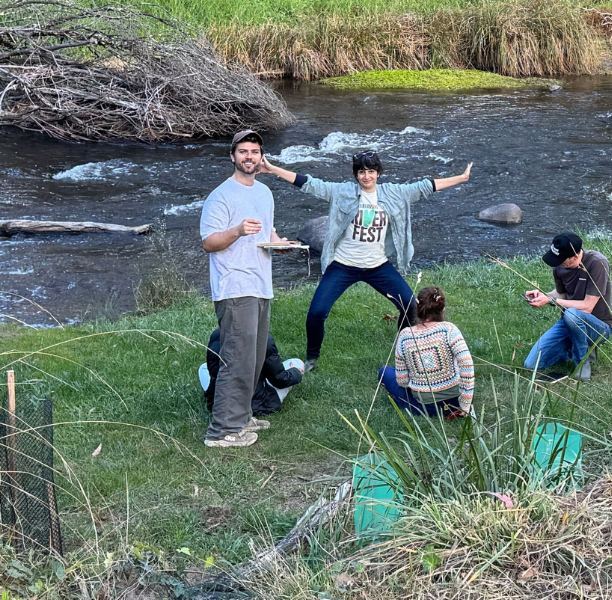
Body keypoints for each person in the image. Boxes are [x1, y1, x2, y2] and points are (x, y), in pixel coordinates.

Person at [260, 151, 472, 370]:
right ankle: (312, 358)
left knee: (410, 306)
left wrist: (461, 178)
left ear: (378, 173)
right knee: (316, 313)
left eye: (371, 171)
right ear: (356, 174)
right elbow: (309, 183)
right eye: (361, 172)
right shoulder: (342, 192)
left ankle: (402, 346)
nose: (366, 176)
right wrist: (274, 169)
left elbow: (426, 186)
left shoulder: (394, 193)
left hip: (377, 266)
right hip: (342, 266)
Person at [199, 129, 298, 448]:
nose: (249, 157)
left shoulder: (264, 193)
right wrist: (238, 231)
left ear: (261, 156)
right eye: (243, 151)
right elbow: (209, 242)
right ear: (233, 156)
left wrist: (280, 244)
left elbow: (266, 232)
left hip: (260, 285)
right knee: (237, 358)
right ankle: (222, 431)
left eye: (254, 151)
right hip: (233, 287)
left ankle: (241, 416)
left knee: (254, 359)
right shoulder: (221, 196)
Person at [523, 232, 612, 382]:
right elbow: (561, 294)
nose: (558, 264)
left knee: (572, 314)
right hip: (569, 322)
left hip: (599, 326)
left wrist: (551, 301)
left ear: (576, 256)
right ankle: (575, 349)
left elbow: (587, 306)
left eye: (562, 260)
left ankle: (582, 361)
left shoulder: (597, 263)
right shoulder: (559, 266)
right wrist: (543, 296)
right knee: (531, 364)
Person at [379, 286, 474, 417]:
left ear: (417, 309)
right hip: (456, 402)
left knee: (384, 372)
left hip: (425, 407)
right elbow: (467, 366)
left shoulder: (405, 335)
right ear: (443, 309)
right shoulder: (450, 330)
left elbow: (403, 382)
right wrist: (465, 407)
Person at [201, 328, 304, 416]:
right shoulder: (263, 338)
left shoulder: (218, 333)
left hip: (221, 403)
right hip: (255, 404)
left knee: (203, 368)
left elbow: (214, 373)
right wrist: (296, 372)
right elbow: (280, 380)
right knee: (296, 363)